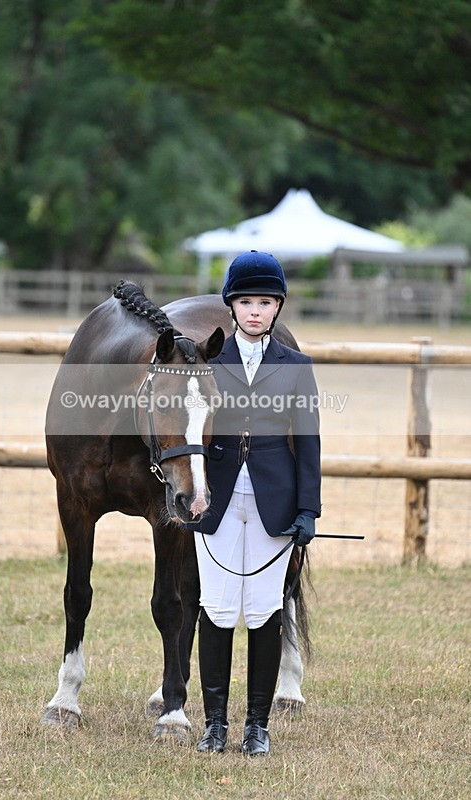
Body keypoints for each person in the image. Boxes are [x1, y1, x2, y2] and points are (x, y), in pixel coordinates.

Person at [188, 250, 321, 756]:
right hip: (216, 499)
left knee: (264, 608)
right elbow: (186, 430)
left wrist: (309, 508)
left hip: (275, 499)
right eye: (246, 301)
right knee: (217, 607)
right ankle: (215, 724)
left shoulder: (296, 366)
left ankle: (257, 726)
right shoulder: (205, 362)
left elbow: (308, 443)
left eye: (265, 302)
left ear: (277, 307)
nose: (255, 311)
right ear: (232, 306)